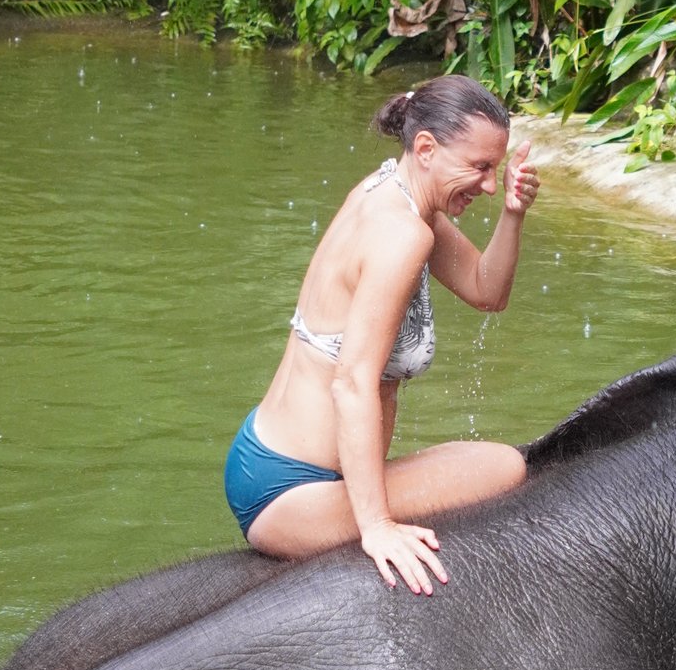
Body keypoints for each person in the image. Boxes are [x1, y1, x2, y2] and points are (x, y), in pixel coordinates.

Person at [224, 75, 539, 593]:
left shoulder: (391, 193)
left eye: (495, 170)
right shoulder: (401, 234)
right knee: (504, 469)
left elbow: (487, 292)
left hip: (266, 455)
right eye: (480, 168)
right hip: (291, 492)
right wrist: (377, 527)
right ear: (425, 148)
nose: (487, 185)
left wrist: (513, 213)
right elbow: (352, 383)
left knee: (488, 461)